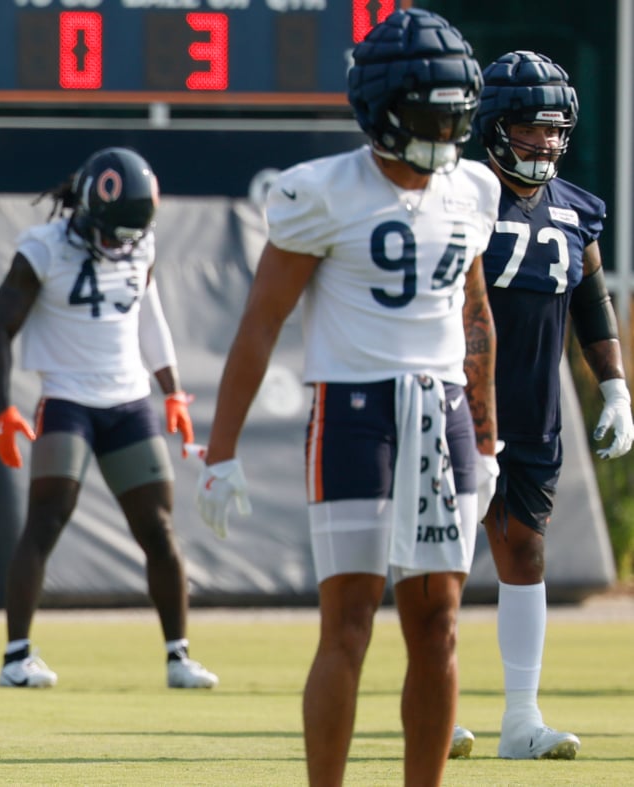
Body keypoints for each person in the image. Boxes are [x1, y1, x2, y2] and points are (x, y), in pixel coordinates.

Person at [194, 9, 500, 785]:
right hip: (355, 414)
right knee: (351, 622)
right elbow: (261, 325)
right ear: (383, 109)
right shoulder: (322, 190)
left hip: (443, 416)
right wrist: (219, 453)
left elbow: (475, 318)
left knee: (438, 627)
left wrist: (488, 435)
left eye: (455, 113)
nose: (444, 130)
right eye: (428, 112)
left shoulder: (474, 187)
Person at [446, 50, 633, 762]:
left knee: (524, 550)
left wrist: (613, 382)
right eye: (531, 128)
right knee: (444, 557)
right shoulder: (458, 196)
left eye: (556, 131)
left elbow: (591, 299)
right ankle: (436, 701)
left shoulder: (576, 208)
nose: (547, 143)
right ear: (494, 126)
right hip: (455, 405)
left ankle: (521, 719)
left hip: (533, 410)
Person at [0, 146, 218, 691]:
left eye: (126, 234)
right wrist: (2, 410)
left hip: (130, 401)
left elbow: (148, 314)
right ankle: (16, 656)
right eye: (109, 231)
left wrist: (174, 392)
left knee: (158, 528)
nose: (118, 244)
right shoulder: (43, 249)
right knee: (46, 518)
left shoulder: (142, 243)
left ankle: (178, 655)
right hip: (67, 398)